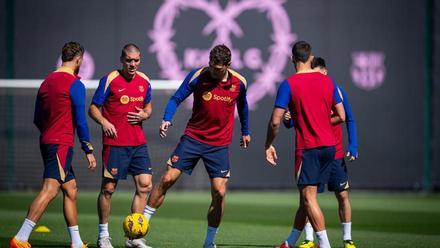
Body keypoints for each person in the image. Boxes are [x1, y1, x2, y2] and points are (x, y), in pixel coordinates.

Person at [143, 44, 251, 248]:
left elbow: (243, 107)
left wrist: (246, 131)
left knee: (219, 193)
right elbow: (176, 98)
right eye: (211, 65)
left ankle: (209, 242)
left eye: (217, 68)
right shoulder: (198, 75)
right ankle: (141, 225)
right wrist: (167, 118)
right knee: (167, 178)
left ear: (228, 65)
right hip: (193, 138)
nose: (213, 69)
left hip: (218, 145)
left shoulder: (240, 83)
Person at [10, 41, 96, 248]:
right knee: (49, 190)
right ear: (78, 60)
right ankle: (20, 238)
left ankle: (76, 242)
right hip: (61, 144)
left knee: (71, 189)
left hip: (48, 141)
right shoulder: (75, 84)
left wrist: (50, 134)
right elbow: (81, 121)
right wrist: (88, 149)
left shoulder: (46, 82)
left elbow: (37, 118)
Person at [265, 41, 345, 248]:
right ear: (310, 58)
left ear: (292, 59)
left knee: (309, 198)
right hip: (330, 147)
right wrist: (318, 121)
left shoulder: (289, 84)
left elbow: (275, 121)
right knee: (306, 198)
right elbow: (341, 115)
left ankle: (325, 245)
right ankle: (289, 242)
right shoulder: (328, 82)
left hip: (308, 148)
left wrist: (268, 144)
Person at [283, 57, 358, 248]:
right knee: (308, 198)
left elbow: (347, 117)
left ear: (324, 71)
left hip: (335, 152)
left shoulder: (334, 89)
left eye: (316, 72)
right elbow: (295, 121)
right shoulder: (306, 89)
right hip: (315, 149)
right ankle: (309, 240)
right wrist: (287, 120)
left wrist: (353, 144)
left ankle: (347, 239)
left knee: (342, 195)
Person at [89, 44, 153, 248]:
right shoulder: (109, 80)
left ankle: (133, 237)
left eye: (136, 60)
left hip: (138, 143)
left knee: (145, 186)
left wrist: (145, 114)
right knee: (108, 189)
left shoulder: (145, 80)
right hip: (115, 143)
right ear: (122, 59)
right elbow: (93, 108)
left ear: (140, 60)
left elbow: (148, 107)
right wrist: (105, 122)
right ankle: (103, 236)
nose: (132, 64)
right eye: (128, 60)